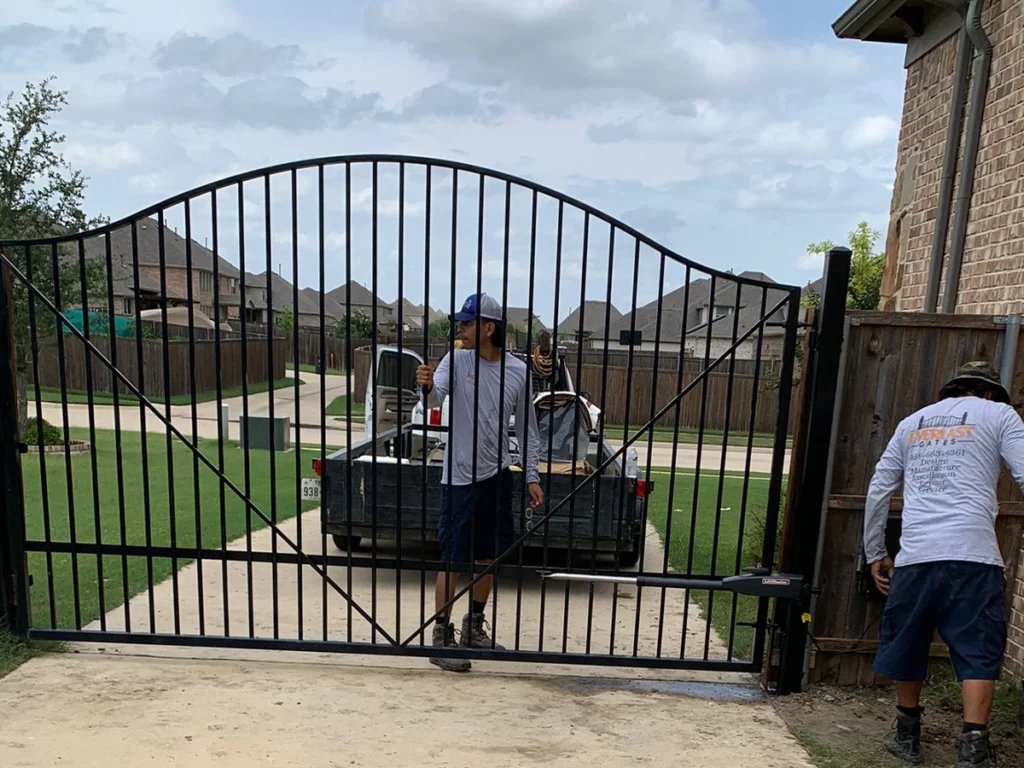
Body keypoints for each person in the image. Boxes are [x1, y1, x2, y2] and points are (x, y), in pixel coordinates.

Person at [864, 361, 1024, 767]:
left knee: (908, 640)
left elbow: (880, 488)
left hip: (917, 555)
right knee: (978, 648)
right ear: (989, 392)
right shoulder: (1001, 414)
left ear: (952, 390)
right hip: (974, 554)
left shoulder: (911, 423)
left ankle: (907, 737)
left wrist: (875, 552)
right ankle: (972, 748)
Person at [416, 292, 544, 672]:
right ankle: (442, 636)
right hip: (457, 477)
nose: (461, 328)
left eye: (468, 323)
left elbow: (528, 429)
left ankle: (474, 627)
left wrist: (532, 475)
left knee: (488, 558)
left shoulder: (518, 371)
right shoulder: (456, 360)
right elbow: (435, 394)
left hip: (497, 475)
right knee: (453, 559)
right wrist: (425, 384)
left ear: (489, 327)